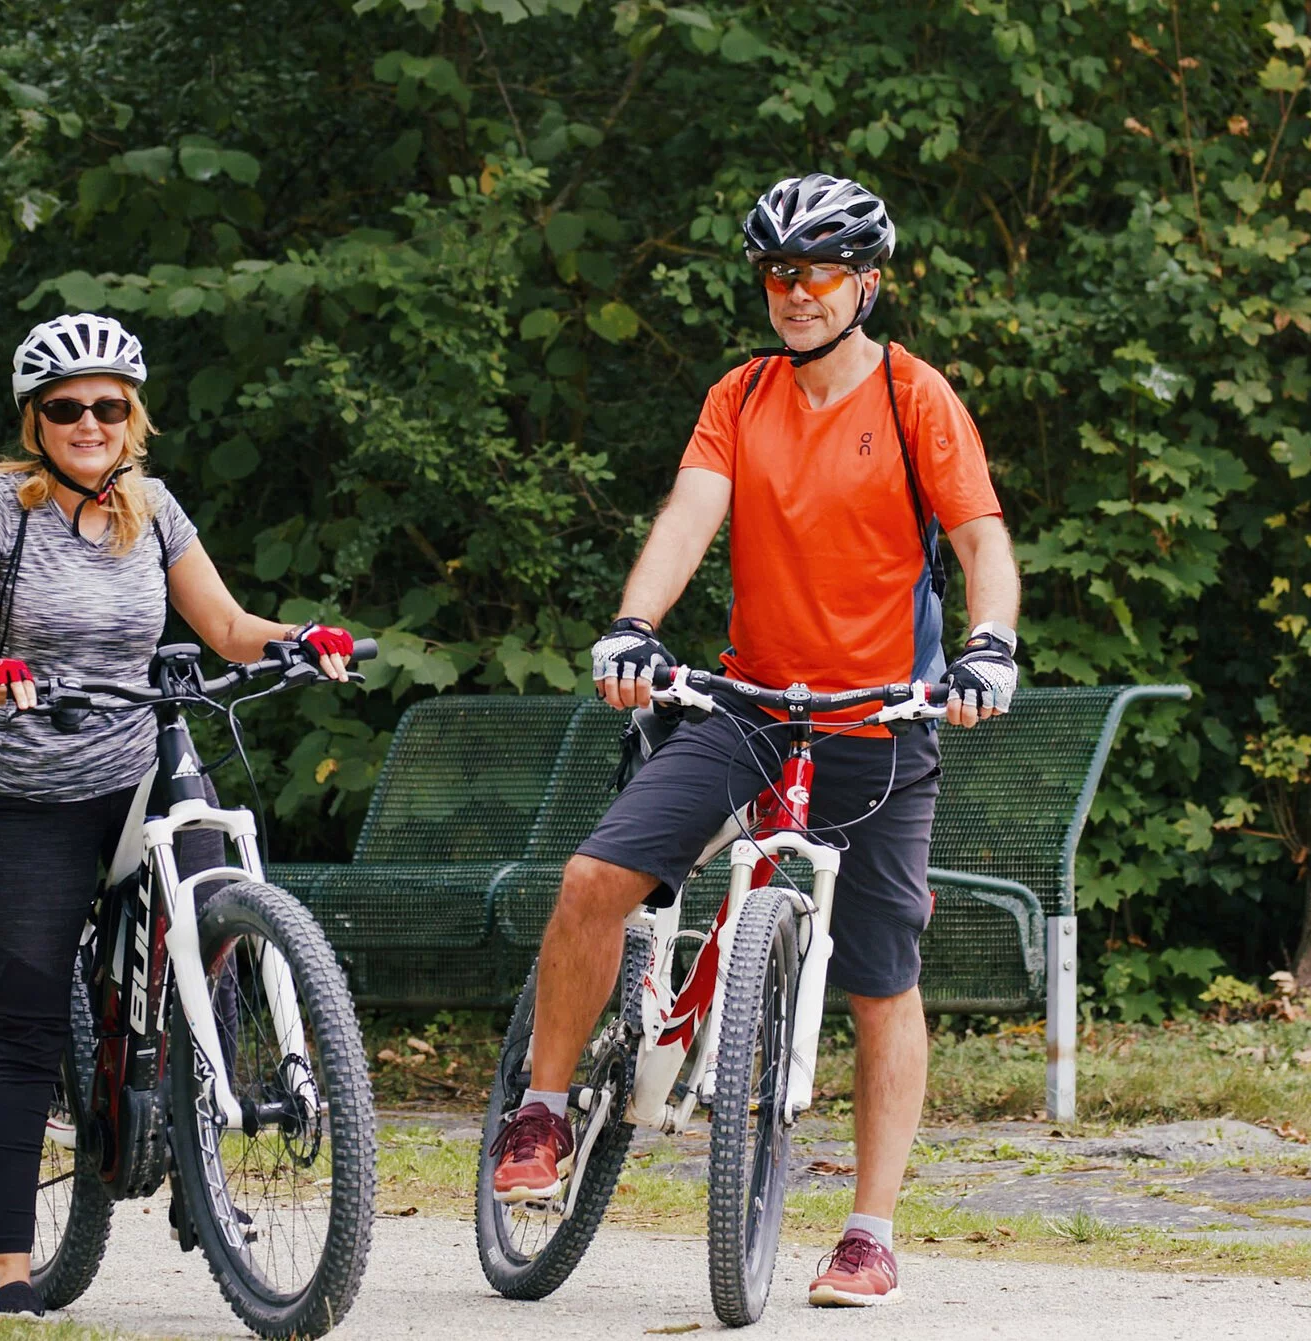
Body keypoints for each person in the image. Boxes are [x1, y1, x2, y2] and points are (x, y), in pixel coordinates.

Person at [488, 174, 1022, 1308]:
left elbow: (982, 541)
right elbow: (689, 513)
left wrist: (990, 649)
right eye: (778, 273)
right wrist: (635, 627)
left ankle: (870, 1233)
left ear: (865, 283)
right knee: (593, 878)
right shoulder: (740, 396)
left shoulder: (918, 396)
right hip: (749, 706)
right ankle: (540, 1108)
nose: (795, 292)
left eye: (818, 271)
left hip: (882, 720)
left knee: (882, 980)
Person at [0, 313, 355, 1319]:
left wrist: (303, 637)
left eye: (109, 406)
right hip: (35, 786)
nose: (89, 422)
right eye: (67, 408)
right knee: (27, 1019)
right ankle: (14, 1264)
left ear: (132, 417)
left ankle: (202, 1156)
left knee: (219, 924)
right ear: (37, 422)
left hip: (141, 761)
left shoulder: (154, 512)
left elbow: (230, 629)